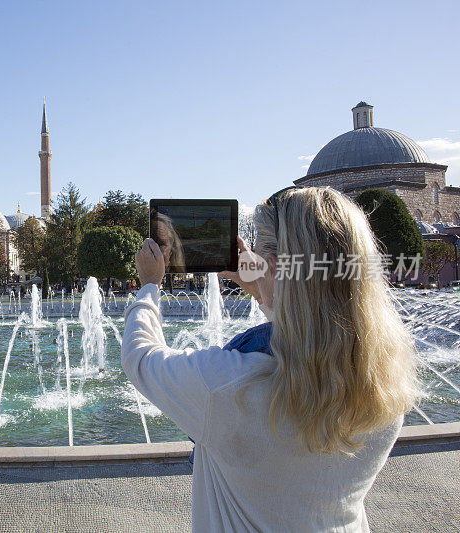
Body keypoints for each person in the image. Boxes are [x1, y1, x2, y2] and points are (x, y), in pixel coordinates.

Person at [122, 187, 417, 532]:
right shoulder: (386, 384)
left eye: (261, 257)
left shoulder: (232, 388)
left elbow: (141, 358)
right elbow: (311, 326)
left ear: (276, 266)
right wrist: (261, 282)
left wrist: (149, 286)